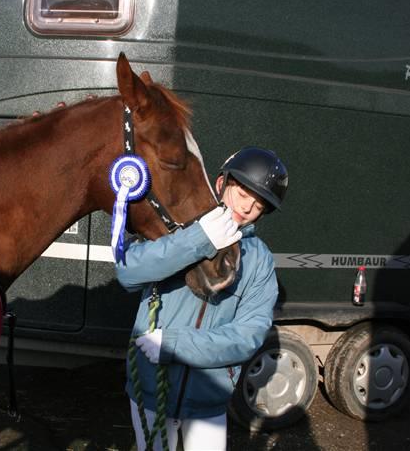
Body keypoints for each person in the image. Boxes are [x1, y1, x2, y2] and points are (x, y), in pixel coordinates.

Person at [116, 147, 288, 451]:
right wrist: (198, 240)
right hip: (151, 389)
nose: (247, 208)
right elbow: (129, 273)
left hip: (208, 401)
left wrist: (175, 345)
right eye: (243, 193)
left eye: (259, 205)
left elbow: (249, 335)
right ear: (222, 183)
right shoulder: (174, 226)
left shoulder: (259, 259)